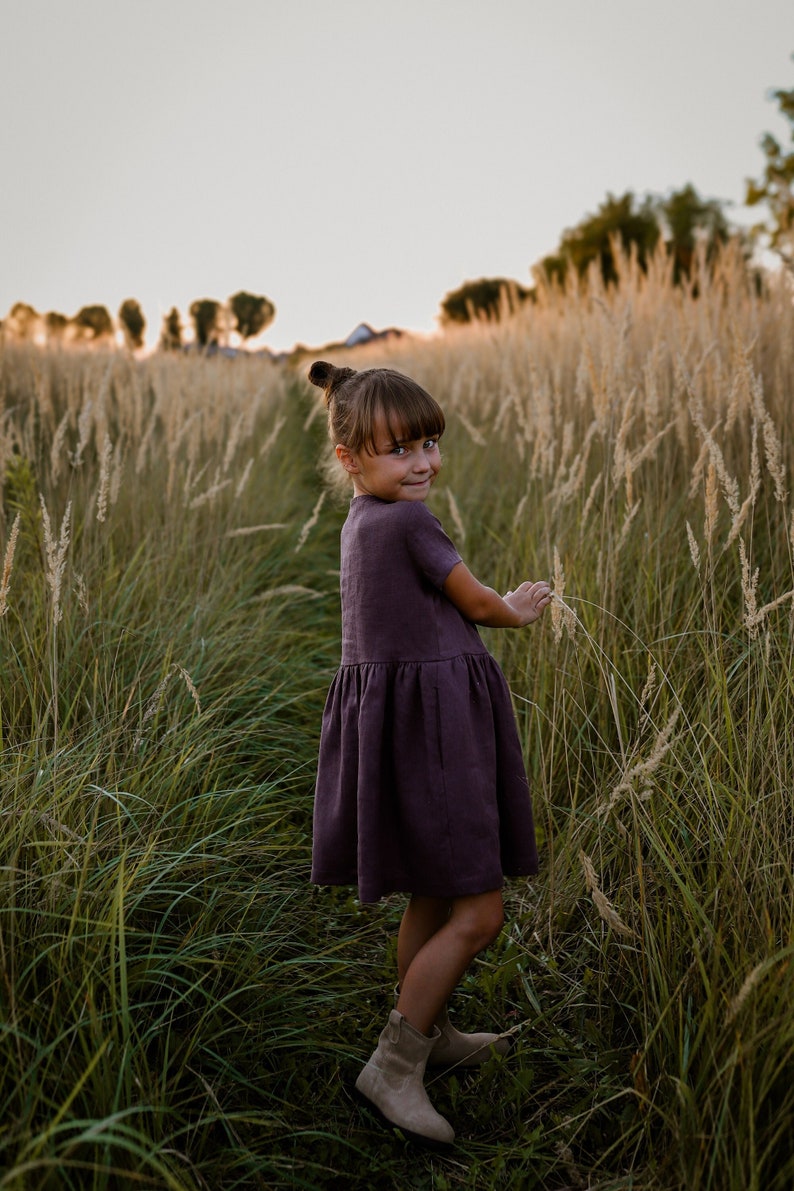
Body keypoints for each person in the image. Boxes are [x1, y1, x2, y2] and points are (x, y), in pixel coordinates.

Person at [308, 360, 551, 1146]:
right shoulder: (410, 524)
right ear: (350, 458)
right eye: (399, 450)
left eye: (429, 442)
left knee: (430, 894)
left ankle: (428, 1026)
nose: (421, 463)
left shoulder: (360, 522)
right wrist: (515, 610)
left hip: (403, 734)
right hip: (436, 737)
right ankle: (394, 1062)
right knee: (479, 911)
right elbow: (473, 599)